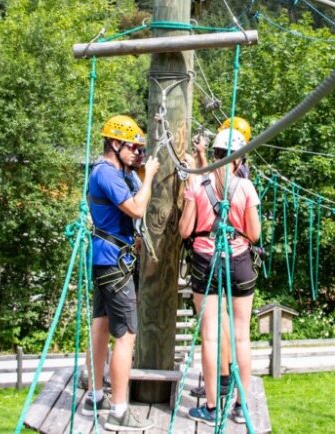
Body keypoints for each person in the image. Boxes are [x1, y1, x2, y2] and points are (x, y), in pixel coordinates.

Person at [178, 130, 261, 426]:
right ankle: (241, 406)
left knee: (211, 336)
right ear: (239, 159)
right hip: (238, 262)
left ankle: (212, 408)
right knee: (241, 334)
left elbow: (185, 231)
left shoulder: (197, 185)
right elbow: (254, 234)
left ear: (214, 154)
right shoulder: (246, 187)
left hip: (205, 261)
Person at [83, 114, 159, 432]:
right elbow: (138, 208)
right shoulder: (107, 174)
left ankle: (96, 394)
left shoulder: (117, 172)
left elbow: (135, 192)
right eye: (133, 148)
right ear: (114, 144)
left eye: (140, 150)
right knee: (125, 335)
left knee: (100, 326)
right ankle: (118, 410)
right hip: (115, 263)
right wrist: (151, 174)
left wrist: (142, 169)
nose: (138, 154)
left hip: (107, 259)